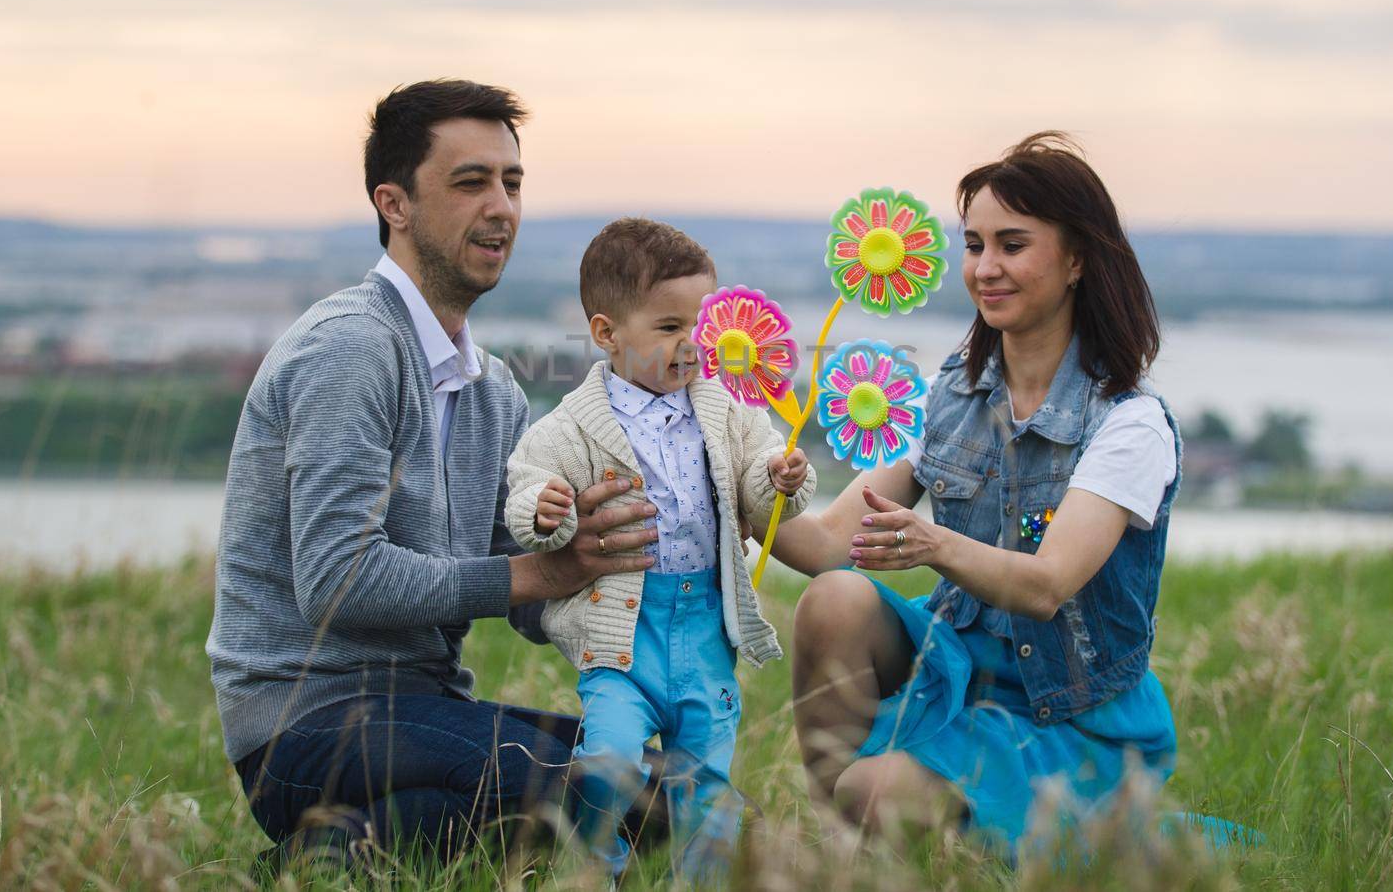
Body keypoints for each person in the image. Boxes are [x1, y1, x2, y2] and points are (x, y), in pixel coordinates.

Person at [204, 80, 662, 869]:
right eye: (470, 182)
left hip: (422, 713)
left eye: (512, 183)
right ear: (395, 204)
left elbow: (528, 585)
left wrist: (615, 579)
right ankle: (330, 848)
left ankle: (333, 856)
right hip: (303, 727)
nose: (502, 207)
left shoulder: (495, 389)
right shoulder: (351, 348)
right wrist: (537, 568)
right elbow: (340, 580)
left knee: (672, 793)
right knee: (590, 793)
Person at [767, 132, 1182, 855]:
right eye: (974, 245)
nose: (986, 268)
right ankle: (842, 852)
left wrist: (932, 542)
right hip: (958, 675)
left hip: (1069, 717)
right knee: (834, 598)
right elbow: (827, 545)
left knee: (869, 789)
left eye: (1012, 245)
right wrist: (735, 463)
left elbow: (1047, 586)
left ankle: (1072, 826)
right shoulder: (950, 397)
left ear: (1077, 258)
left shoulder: (1128, 423)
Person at [505, 218, 815, 879]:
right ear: (606, 333)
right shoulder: (574, 424)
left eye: (700, 328)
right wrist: (544, 510)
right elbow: (528, 481)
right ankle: (598, 866)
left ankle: (697, 878)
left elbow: (762, 481)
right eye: (669, 327)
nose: (691, 346)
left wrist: (781, 478)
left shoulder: (727, 407)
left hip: (705, 625)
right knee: (611, 759)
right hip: (624, 632)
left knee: (705, 779)